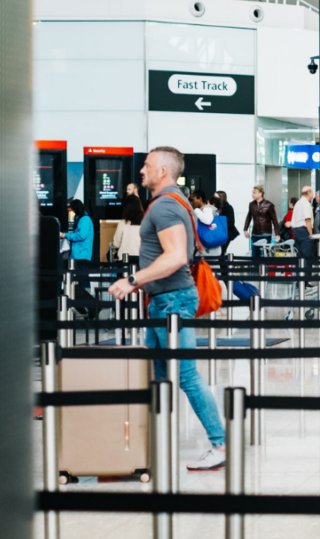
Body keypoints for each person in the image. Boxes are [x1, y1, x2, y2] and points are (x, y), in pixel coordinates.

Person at [108, 146, 226, 471]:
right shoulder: (172, 202)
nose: (141, 171)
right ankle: (151, 442)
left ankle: (220, 443)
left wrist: (133, 279)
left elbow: (175, 257)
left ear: (163, 171)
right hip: (163, 300)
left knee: (185, 375)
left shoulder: (164, 208)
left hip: (172, 300)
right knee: (159, 374)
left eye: (146, 166)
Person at [243, 185, 279, 257]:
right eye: (252, 192)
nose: (252, 194)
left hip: (265, 234)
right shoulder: (251, 204)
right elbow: (249, 217)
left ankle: (263, 268)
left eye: (254, 193)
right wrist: (245, 229)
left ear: (260, 194)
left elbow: (274, 220)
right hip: (255, 234)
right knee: (254, 255)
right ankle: (255, 268)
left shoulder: (269, 205)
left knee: (263, 255)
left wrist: (277, 234)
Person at [60, 199, 94, 267]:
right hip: (80, 254)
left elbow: (81, 235)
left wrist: (66, 235)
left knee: (80, 276)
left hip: (81, 254)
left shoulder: (84, 219)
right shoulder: (83, 219)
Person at [190, 189, 222, 258]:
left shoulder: (206, 209)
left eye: (194, 199)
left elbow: (208, 220)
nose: (192, 202)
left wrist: (196, 210)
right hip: (209, 246)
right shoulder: (207, 210)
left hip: (208, 249)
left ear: (200, 199)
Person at [291, 186, 315, 275]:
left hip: (297, 231)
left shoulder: (298, 203)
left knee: (300, 258)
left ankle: (300, 282)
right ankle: (306, 282)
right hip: (304, 231)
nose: (313, 194)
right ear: (308, 192)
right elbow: (307, 220)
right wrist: (311, 234)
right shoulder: (305, 203)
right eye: (312, 192)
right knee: (307, 258)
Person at [112, 194, 143, 259]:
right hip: (141, 260)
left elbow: (116, 244)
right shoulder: (145, 224)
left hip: (125, 260)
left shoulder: (122, 223)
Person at [213, 190, 239, 257]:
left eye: (215, 197)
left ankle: (223, 266)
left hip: (226, 233)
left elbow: (231, 223)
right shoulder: (215, 208)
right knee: (218, 252)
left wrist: (219, 225)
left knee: (222, 251)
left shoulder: (228, 208)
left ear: (221, 198)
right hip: (218, 233)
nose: (214, 199)